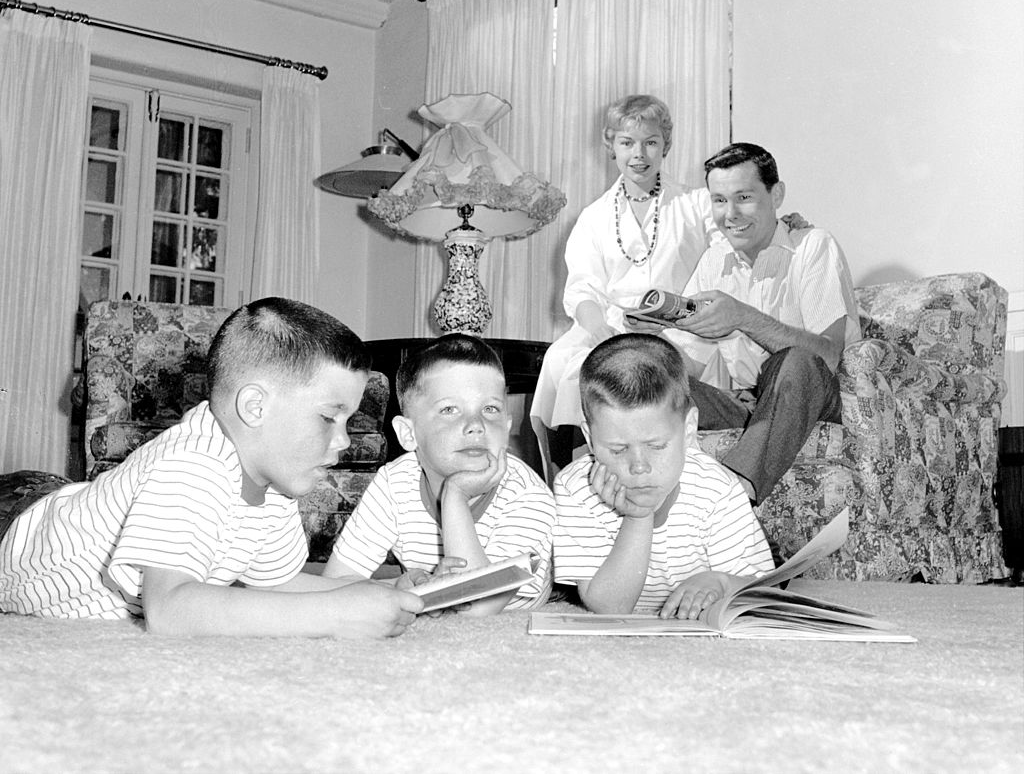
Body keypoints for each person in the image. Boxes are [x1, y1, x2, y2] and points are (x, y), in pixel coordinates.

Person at [0, 298, 423, 639]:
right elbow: (170, 611)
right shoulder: (192, 464)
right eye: (329, 417)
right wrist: (334, 614)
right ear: (255, 406)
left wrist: (384, 591)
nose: (344, 440)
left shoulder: (273, 479)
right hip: (15, 523)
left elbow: (276, 583)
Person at [529, 94, 716, 477]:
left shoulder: (696, 204)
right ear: (610, 144)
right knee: (566, 363)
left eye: (651, 142)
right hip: (611, 325)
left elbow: (734, 236)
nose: (639, 154)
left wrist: (781, 225)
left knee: (647, 370)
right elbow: (582, 288)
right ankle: (579, 477)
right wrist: (599, 330)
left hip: (679, 327)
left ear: (667, 144)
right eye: (627, 142)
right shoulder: (594, 216)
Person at [672, 142, 861, 505]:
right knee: (648, 374)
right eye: (719, 200)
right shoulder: (715, 260)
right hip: (754, 403)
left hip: (821, 395)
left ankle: (733, 498)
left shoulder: (813, 246)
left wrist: (743, 316)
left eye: (743, 197)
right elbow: (689, 364)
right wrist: (650, 345)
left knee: (796, 359)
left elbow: (827, 357)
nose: (730, 214)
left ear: (777, 195)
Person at [324, 334, 555, 615]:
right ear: (409, 434)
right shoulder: (394, 483)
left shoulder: (527, 495)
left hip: (514, 621)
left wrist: (454, 496)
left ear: (506, 428)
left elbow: (479, 609)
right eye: (449, 409)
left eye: (490, 409)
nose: (475, 425)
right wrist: (405, 586)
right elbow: (336, 582)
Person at [552, 334, 775, 617]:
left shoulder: (718, 490)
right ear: (590, 437)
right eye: (618, 449)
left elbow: (763, 594)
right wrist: (639, 516)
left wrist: (722, 582)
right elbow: (610, 607)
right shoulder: (576, 489)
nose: (639, 466)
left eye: (656, 446)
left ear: (688, 429)